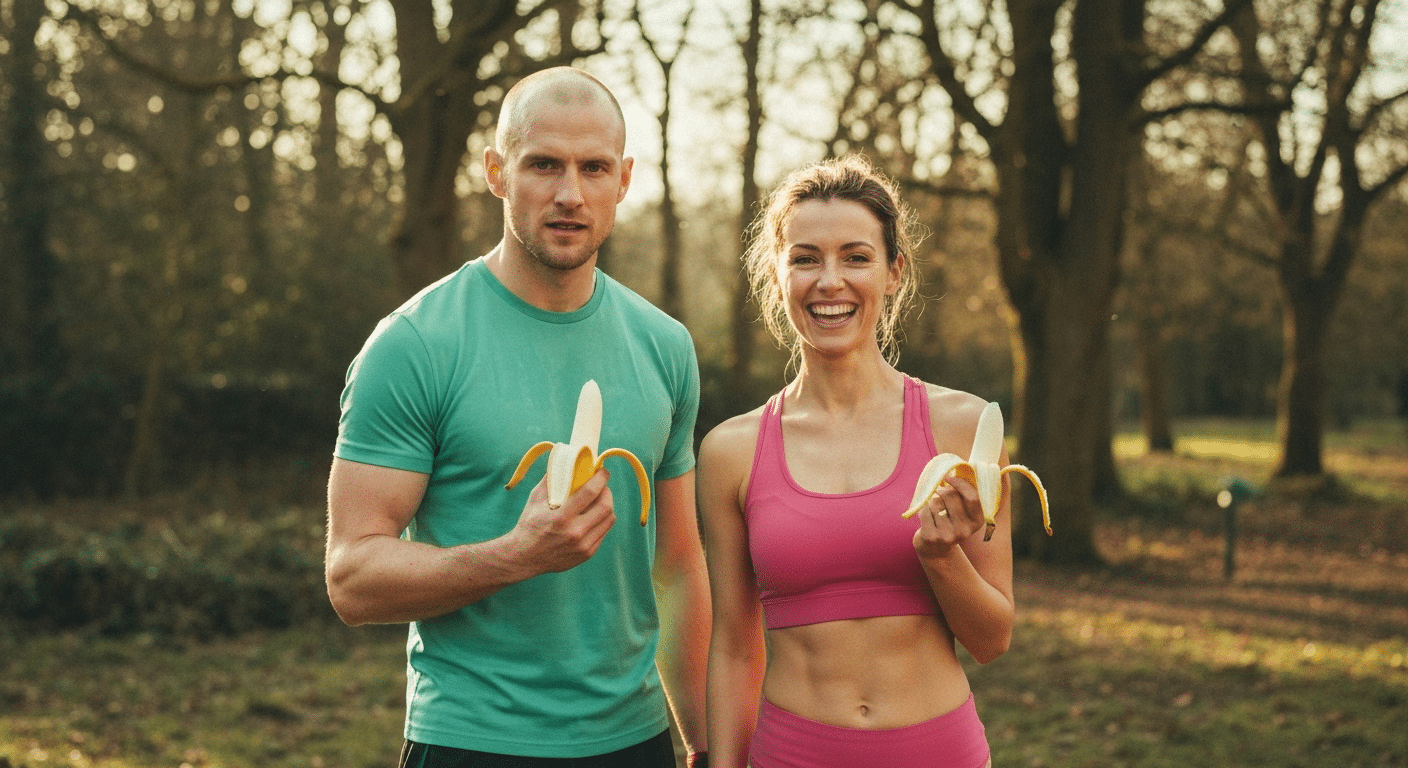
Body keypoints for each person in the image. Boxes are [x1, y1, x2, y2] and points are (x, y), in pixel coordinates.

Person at [325, 67, 710, 767]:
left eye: (593, 168)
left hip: (635, 740)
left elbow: (678, 565)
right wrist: (516, 555)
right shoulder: (415, 344)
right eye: (543, 165)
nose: (570, 193)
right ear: (497, 173)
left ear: (623, 181)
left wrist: (705, 740)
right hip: (472, 741)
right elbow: (352, 577)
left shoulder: (664, 346)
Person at [698, 155, 1012, 768]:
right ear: (778, 272)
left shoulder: (964, 430)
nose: (830, 281)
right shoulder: (730, 452)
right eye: (806, 258)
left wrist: (943, 558)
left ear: (894, 272)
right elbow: (735, 648)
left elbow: (992, 640)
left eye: (856, 256)